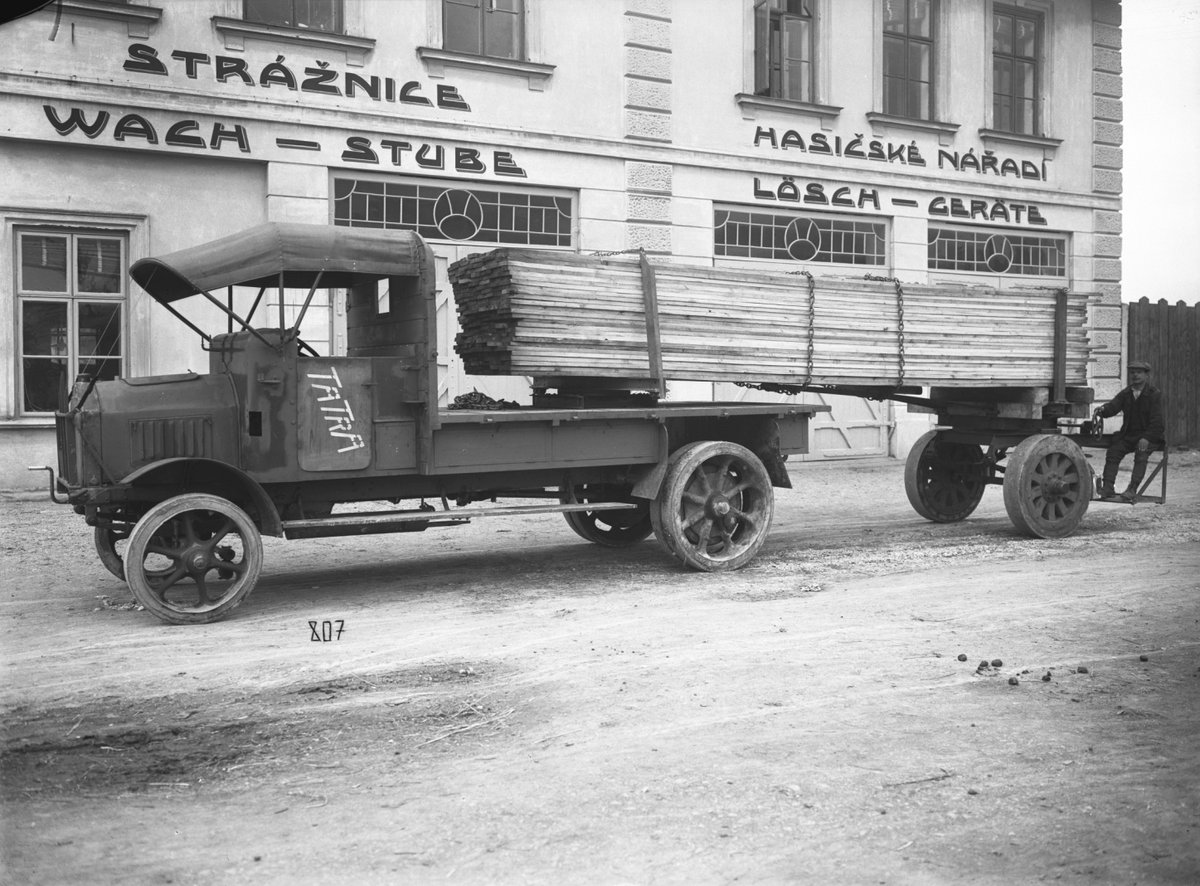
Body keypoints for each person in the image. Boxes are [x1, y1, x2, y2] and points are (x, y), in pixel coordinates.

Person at [1092, 360, 1166, 501]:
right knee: (1114, 452)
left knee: (1141, 454)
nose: (1135, 375)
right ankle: (1108, 488)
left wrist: (1147, 438)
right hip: (1130, 436)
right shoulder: (1126, 393)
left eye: (1139, 372)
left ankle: (1132, 489)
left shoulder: (1154, 394)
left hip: (1149, 437)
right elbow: (1113, 407)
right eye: (1132, 372)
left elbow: (1158, 422)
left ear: (1146, 375)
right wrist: (1103, 410)